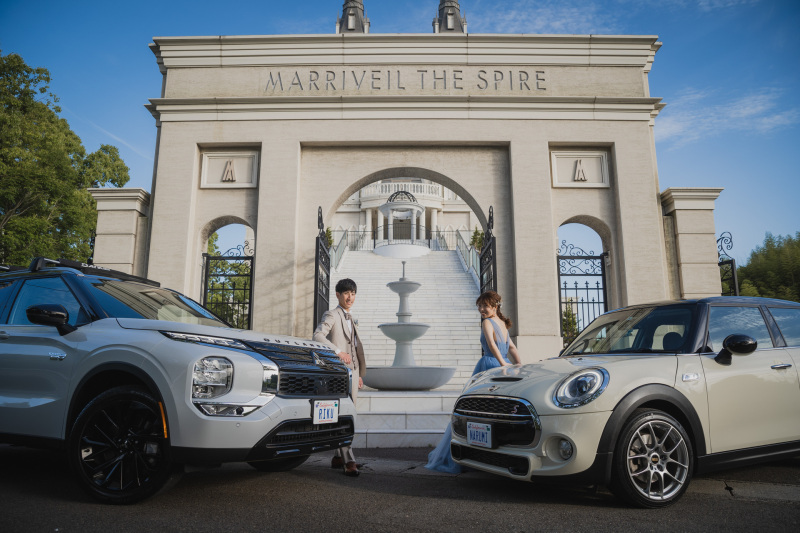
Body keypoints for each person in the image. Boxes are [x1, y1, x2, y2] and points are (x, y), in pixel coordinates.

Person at [425, 290, 521, 473]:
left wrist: (503, 366)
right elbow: (512, 347)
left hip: (489, 365)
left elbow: (492, 346)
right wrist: (517, 365)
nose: (481, 309)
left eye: (485, 306)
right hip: (504, 365)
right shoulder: (503, 324)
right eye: (479, 306)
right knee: (495, 412)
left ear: (495, 306)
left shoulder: (487, 322)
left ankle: (469, 455)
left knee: (474, 409)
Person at [313, 278, 366, 477]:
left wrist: (358, 374)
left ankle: (338, 457)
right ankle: (349, 460)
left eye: (352, 293)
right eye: (346, 293)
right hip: (338, 374)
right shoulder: (332, 314)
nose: (350, 297)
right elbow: (318, 335)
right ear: (337, 295)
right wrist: (337, 352)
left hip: (351, 374)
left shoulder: (351, 318)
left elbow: (354, 349)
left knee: (347, 415)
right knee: (344, 416)